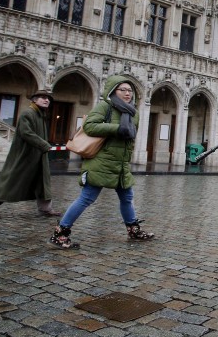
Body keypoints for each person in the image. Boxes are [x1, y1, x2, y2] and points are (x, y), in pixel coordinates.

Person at [49, 76, 154, 249]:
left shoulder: (133, 112)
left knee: (127, 198)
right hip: (101, 162)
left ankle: (133, 230)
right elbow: (90, 126)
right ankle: (60, 233)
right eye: (123, 90)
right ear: (114, 91)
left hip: (120, 164)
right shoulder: (105, 106)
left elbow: (130, 138)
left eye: (130, 90)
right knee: (87, 198)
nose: (127, 93)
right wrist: (117, 129)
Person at [0, 89, 58, 219]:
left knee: (42, 181)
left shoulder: (41, 115)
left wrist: (42, 147)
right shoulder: (28, 113)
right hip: (25, 156)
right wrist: (44, 145)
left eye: (48, 98)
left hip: (37, 155)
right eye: (43, 97)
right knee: (11, 182)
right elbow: (26, 133)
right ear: (34, 100)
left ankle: (45, 209)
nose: (46, 100)